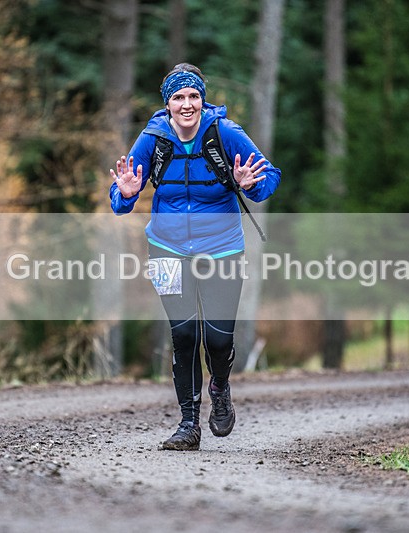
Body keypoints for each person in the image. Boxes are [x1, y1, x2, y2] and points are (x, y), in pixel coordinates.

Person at [109, 63, 281, 450]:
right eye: (178, 97)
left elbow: (270, 177)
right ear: (167, 104)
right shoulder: (152, 137)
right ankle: (189, 424)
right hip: (167, 248)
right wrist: (126, 192)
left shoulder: (226, 133)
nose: (187, 105)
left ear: (202, 100)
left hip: (222, 249)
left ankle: (219, 387)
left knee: (218, 340)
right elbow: (120, 198)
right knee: (184, 335)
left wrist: (250, 184)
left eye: (193, 97)